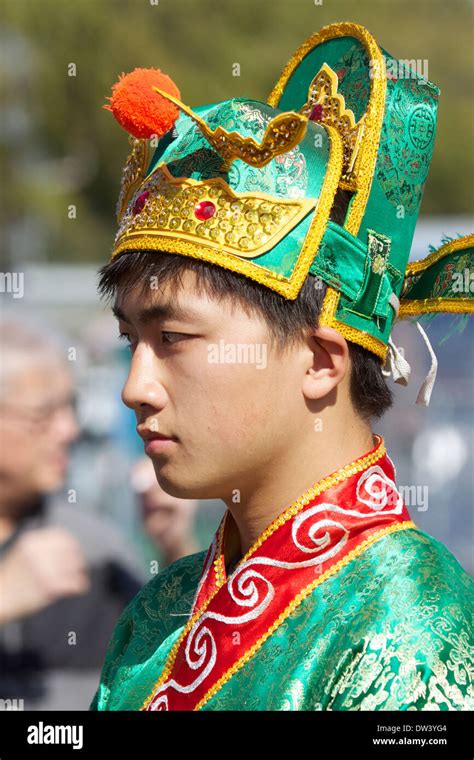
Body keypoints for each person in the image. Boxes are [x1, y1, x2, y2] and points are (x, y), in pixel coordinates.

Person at [90, 21, 473, 711]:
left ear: (321, 362)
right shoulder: (160, 613)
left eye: (173, 338)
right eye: (130, 341)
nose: (134, 390)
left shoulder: (410, 628)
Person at [0, 320, 147, 710]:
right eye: (44, 413)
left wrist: (176, 548)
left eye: (71, 407)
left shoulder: (94, 545)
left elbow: (173, 666)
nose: (68, 429)